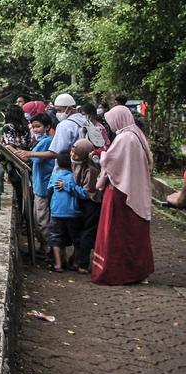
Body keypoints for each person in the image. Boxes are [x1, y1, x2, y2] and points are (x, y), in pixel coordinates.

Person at [91, 104, 155, 285]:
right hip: (133, 190)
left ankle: (117, 273)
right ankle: (138, 271)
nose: (110, 125)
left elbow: (111, 161)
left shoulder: (125, 138)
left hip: (121, 192)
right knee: (133, 233)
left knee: (116, 232)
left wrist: (101, 153)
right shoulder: (136, 134)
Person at [10, 112, 57, 257]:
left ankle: (52, 250)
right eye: (34, 127)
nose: (35, 130)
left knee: (41, 221)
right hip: (39, 184)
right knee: (39, 220)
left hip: (43, 186)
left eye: (38, 126)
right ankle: (46, 248)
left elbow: (26, 157)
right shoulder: (40, 142)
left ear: (47, 127)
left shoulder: (46, 142)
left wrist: (10, 148)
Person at [48, 150, 88, 272]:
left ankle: (58, 264)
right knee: (77, 239)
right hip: (72, 212)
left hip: (56, 212)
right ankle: (75, 262)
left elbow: (49, 191)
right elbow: (84, 194)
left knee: (55, 238)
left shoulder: (54, 176)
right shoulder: (74, 177)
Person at [70, 139, 103, 273]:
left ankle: (83, 263)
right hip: (80, 201)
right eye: (72, 152)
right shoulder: (77, 164)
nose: (73, 155)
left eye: (76, 154)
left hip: (91, 203)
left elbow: (88, 192)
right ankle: (77, 260)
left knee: (87, 233)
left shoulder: (91, 170)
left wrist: (70, 187)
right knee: (79, 232)